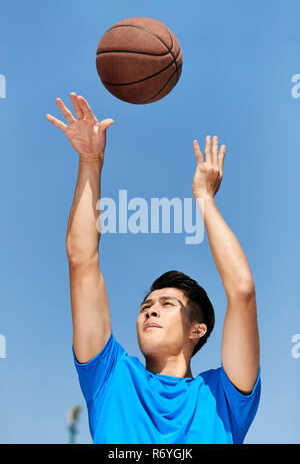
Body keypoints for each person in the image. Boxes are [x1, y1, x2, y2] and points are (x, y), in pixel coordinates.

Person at [46, 93, 261, 444]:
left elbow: (242, 291)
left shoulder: (223, 397)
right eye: (146, 306)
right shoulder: (111, 377)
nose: (150, 310)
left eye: (166, 304)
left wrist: (205, 199)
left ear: (198, 330)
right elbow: (81, 260)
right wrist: (90, 160)